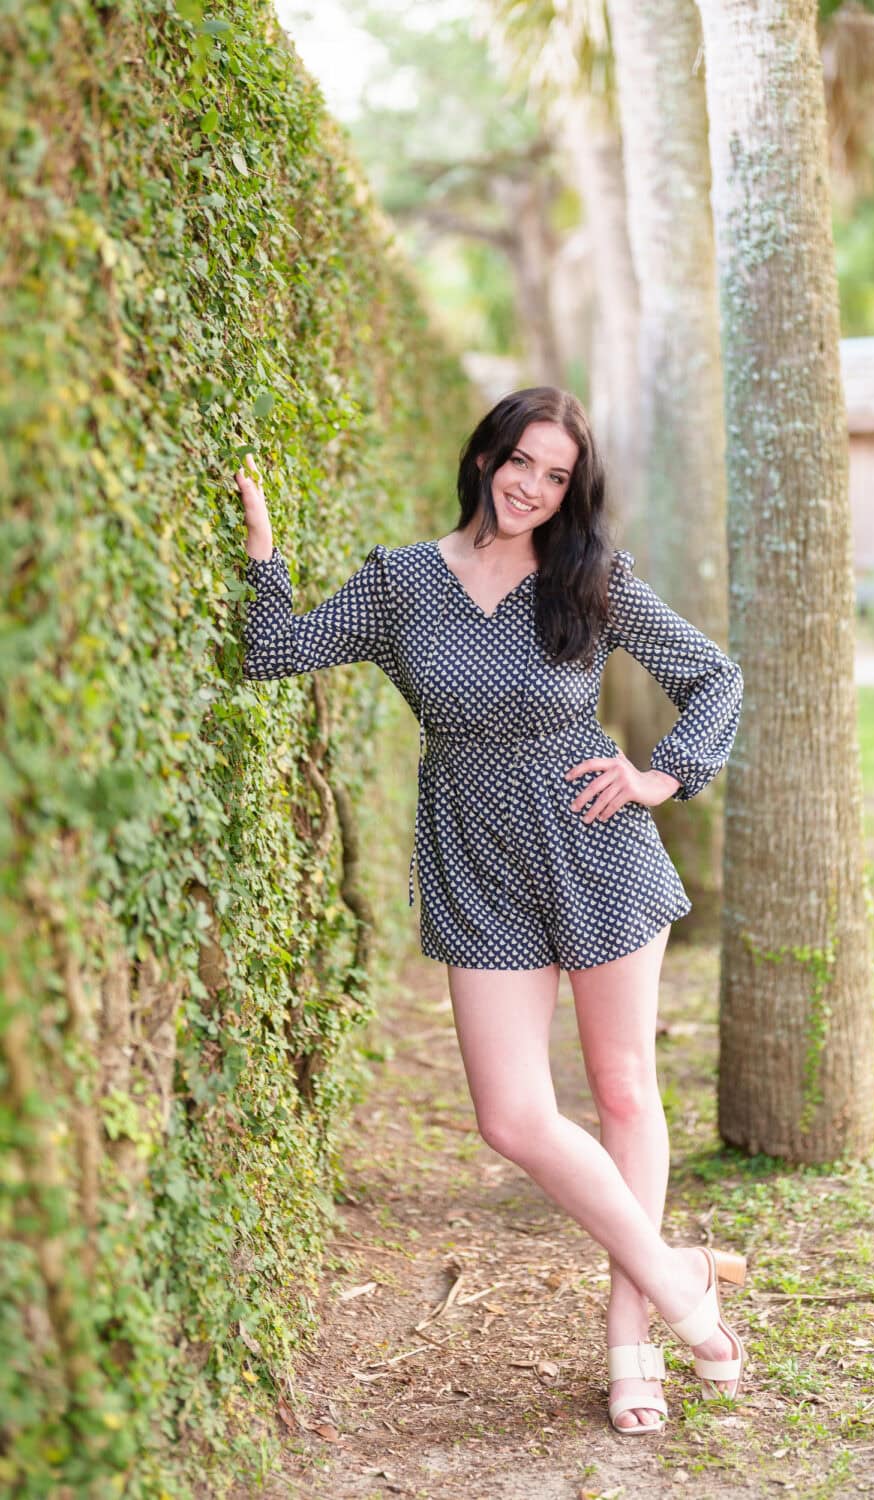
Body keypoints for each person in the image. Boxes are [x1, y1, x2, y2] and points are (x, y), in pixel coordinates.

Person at [235, 386, 746, 1436]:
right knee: (512, 1116)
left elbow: (713, 676)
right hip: (474, 860)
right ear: (484, 458)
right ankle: (676, 1271)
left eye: (557, 476)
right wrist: (261, 554)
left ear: (572, 490)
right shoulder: (401, 585)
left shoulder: (590, 579)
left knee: (621, 1090)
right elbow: (272, 649)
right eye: (521, 462)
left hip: (595, 845)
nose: (532, 487)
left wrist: (663, 777)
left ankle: (632, 1345)